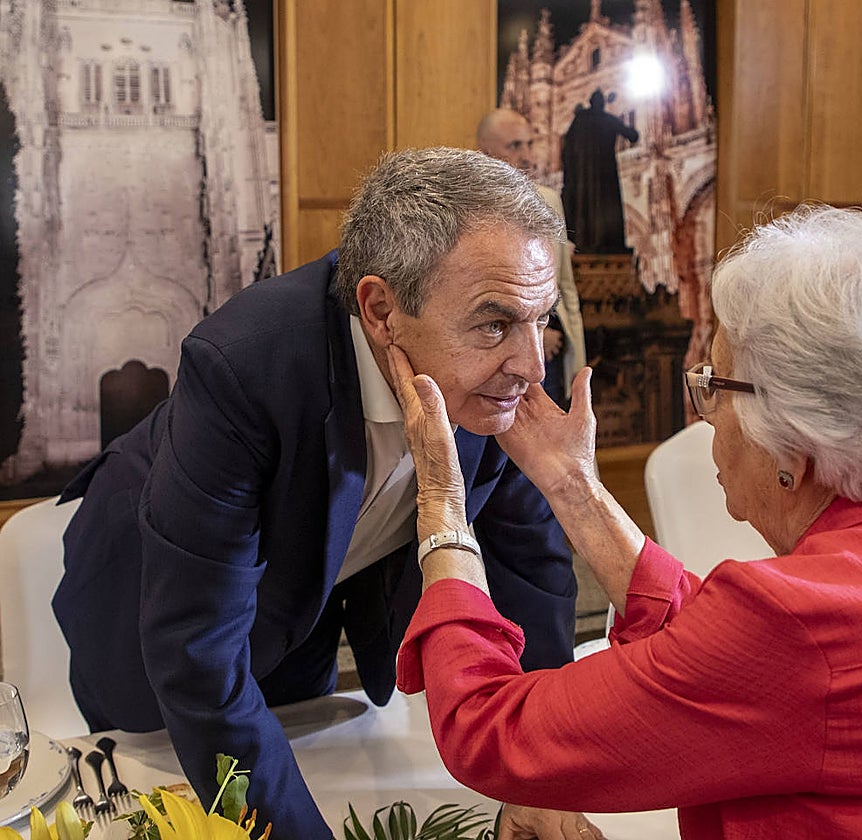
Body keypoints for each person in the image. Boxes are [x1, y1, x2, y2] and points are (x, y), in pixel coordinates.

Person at [391, 206, 862, 839]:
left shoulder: (803, 625)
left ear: (795, 443)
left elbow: (489, 732)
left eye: (715, 385)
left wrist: (442, 504)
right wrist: (574, 487)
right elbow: (735, 661)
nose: (705, 416)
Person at [52, 148, 592, 839]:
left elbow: (531, 575)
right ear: (381, 310)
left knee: (304, 750)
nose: (532, 367)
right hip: (151, 601)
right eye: (495, 324)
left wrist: (538, 778)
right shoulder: (243, 366)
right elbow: (197, 656)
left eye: (540, 319)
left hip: (304, 604)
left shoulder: (496, 371)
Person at [477, 107, 587, 408]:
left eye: (529, 144)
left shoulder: (549, 201)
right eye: (515, 146)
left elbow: (565, 288)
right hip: (492, 353)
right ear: (485, 152)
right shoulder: (469, 209)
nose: (526, 155)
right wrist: (533, 332)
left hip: (550, 355)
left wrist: (577, 359)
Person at [560, 89, 639, 254]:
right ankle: (605, 242)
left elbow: (567, 149)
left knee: (585, 207)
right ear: (602, 104)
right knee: (606, 206)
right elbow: (633, 135)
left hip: (583, 176)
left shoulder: (580, 120)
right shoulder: (608, 119)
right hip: (606, 175)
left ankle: (586, 241)